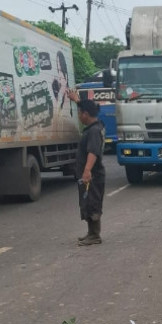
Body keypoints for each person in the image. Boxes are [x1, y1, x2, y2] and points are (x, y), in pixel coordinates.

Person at [66, 89, 106, 246]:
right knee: (86, 202)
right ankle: (91, 233)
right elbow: (88, 107)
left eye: (80, 112)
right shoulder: (95, 126)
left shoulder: (94, 131)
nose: (79, 116)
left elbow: (93, 152)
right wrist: (77, 100)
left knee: (92, 203)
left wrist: (87, 170)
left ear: (86, 114)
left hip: (93, 175)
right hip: (90, 174)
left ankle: (95, 235)